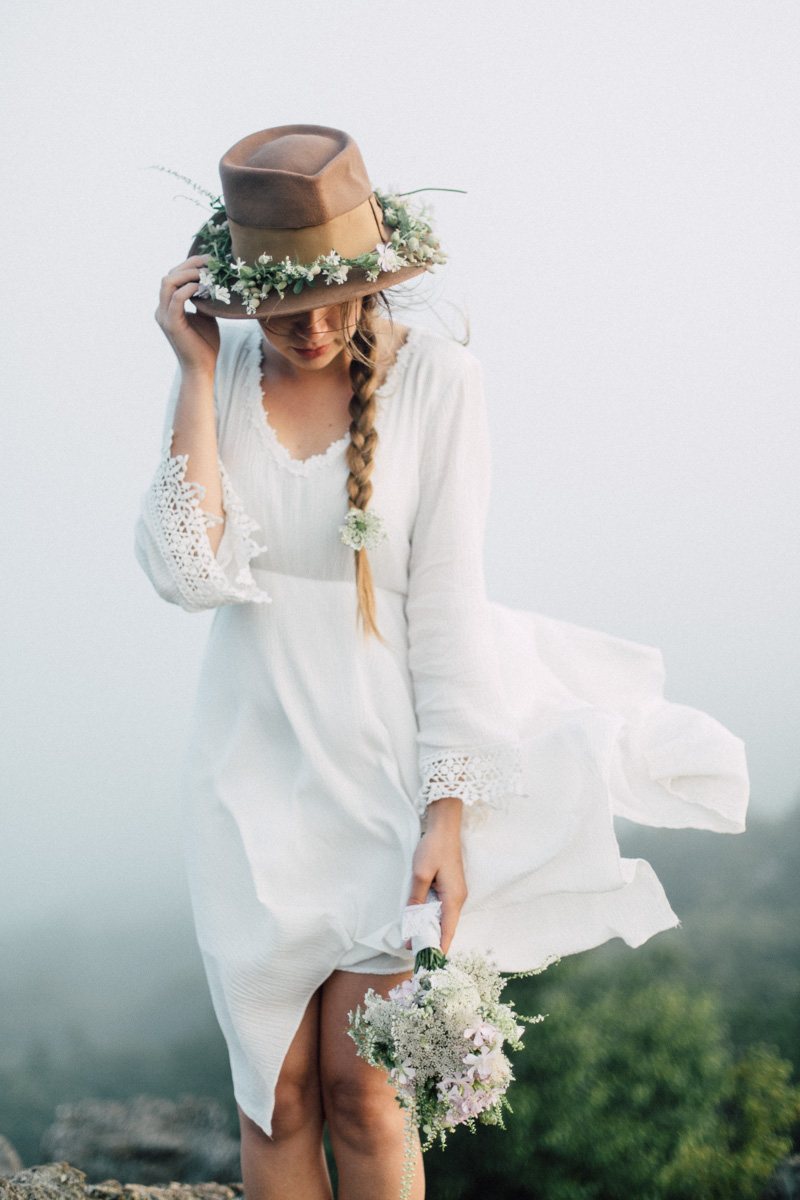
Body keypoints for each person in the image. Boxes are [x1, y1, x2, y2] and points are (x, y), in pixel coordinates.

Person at [135, 124, 749, 1200]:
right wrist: (192, 372)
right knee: (271, 1095)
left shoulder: (441, 382)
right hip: (249, 773)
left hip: (387, 767)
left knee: (363, 1090)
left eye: (334, 300)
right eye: (282, 308)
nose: (314, 329)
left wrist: (446, 812)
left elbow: (450, 608)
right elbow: (189, 576)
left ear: (372, 280)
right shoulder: (223, 373)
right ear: (239, 297)